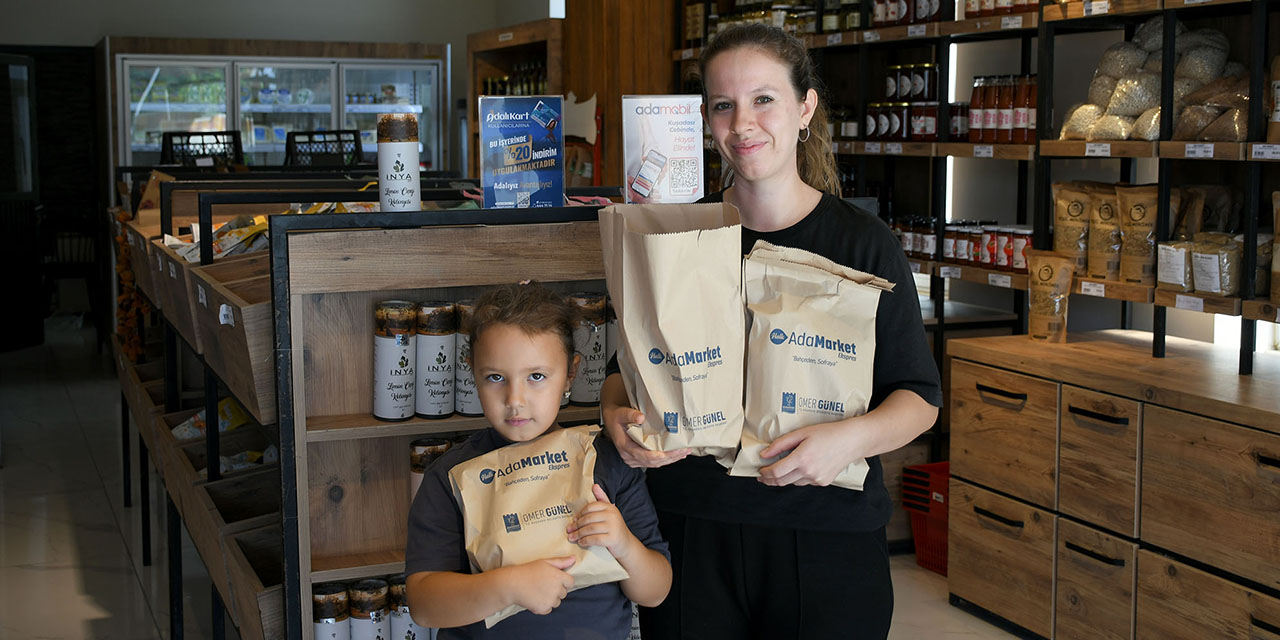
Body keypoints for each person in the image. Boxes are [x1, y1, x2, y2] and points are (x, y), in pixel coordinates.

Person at [599, 23, 942, 640]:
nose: (742, 124)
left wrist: (845, 442)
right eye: (723, 105)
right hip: (691, 525)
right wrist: (617, 419)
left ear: (805, 107)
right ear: (706, 120)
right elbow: (622, 375)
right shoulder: (673, 235)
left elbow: (919, 398)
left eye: (763, 99)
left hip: (827, 535)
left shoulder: (864, 244)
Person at [405, 283, 673, 639]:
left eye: (536, 377)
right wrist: (507, 587)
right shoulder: (451, 476)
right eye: (495, 377)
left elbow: (656, 591)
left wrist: (623, 543)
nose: (515, 399)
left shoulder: (607, 462)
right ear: (472, 371)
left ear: (571, 373)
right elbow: (424, 604)